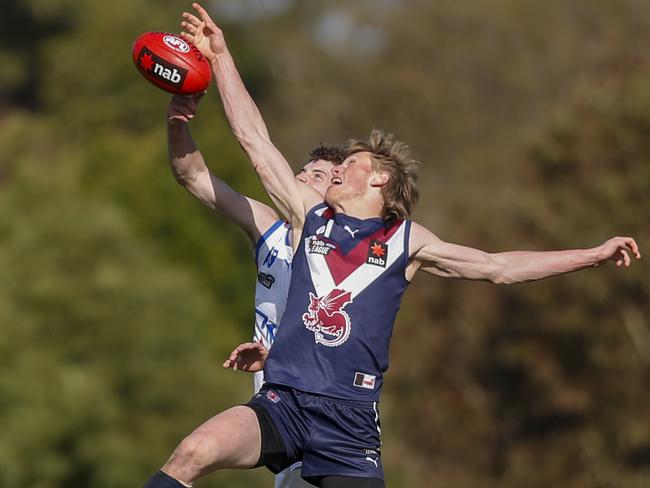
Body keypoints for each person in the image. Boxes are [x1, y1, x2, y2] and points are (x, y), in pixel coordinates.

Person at [144, 4, 642, 488]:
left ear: (380, 178)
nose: (336, 170)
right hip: (285, 404)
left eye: (350, 164)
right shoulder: (307, 215)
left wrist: (592, 254)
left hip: (349, 424)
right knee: (192, 452)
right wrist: (221, 56)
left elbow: (499, 267)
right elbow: (253, 139)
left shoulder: (408, 242)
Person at [167, 91, 345, 488]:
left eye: (316, 176)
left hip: (335, 419)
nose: (299, 179)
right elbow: (193, 176)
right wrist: (177, 125)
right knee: (192, 453)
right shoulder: (269, 228)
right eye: (301, 171)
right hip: (278, 414)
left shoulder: (354, 249)